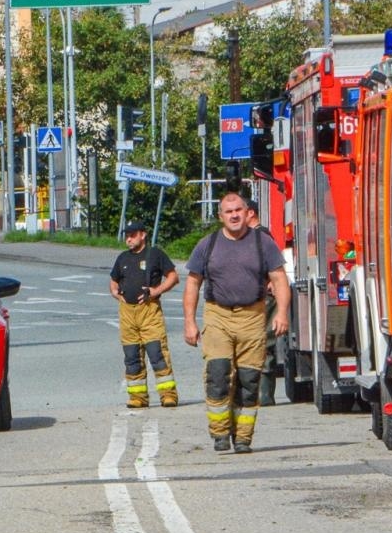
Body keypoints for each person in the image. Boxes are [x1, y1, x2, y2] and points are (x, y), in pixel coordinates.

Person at [182, 193, 291, 453]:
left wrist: (282, 313)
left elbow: (278, 279)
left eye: (238, 210)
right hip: (218, 315)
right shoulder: (207, 245)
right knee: (218, 375)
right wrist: (190, 322)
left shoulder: (262, 243)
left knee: (249, 379)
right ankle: (220, 433)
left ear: (247, 213)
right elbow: (193, 283)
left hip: (253, 317)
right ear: (220, 216)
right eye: (228, 211)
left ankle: (243, 438)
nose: (233, 215)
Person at [109, 220, 179, 408]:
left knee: (157, 353)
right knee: (131, 355)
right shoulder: (122, 258)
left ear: (143, 235)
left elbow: (173, 276)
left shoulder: (155, 255)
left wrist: (156, 291)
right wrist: (115, 292)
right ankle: (137, 397)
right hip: (127, 313)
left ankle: (168, 395)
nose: (129, 239)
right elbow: (113, 281)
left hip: (149, 311)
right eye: (127, 235)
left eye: (132, 235)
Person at [245, 202, 280, 407]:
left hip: (264, 298)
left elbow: (272, 266)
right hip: (256, 296)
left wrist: (270, 283)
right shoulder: (253, 236)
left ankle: (265, 395)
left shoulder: (262, 236)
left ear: (251, 213)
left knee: (264, 343)